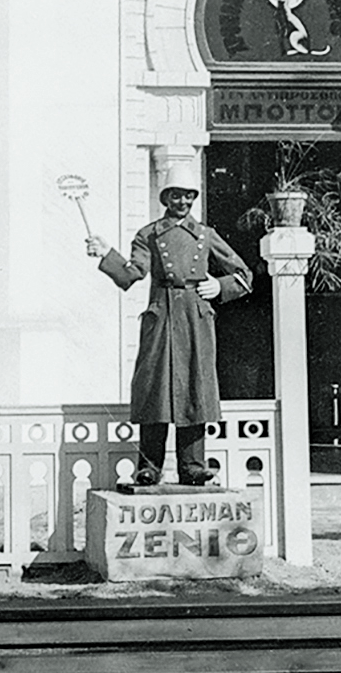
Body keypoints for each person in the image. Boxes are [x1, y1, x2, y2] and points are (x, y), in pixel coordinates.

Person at [87, 183, 252, 489]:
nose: (183, 201)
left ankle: (193, 467)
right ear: (165, 198)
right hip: (160, 316)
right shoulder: (149, 233)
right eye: (176, 195)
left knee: (195, 387)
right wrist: (106, 253)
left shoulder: (205, 234)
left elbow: (244, 274)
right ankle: (149, 468)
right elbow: (131, 273)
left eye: (189, 195)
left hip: (196, 318)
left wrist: (220, 287)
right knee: (155, 390)